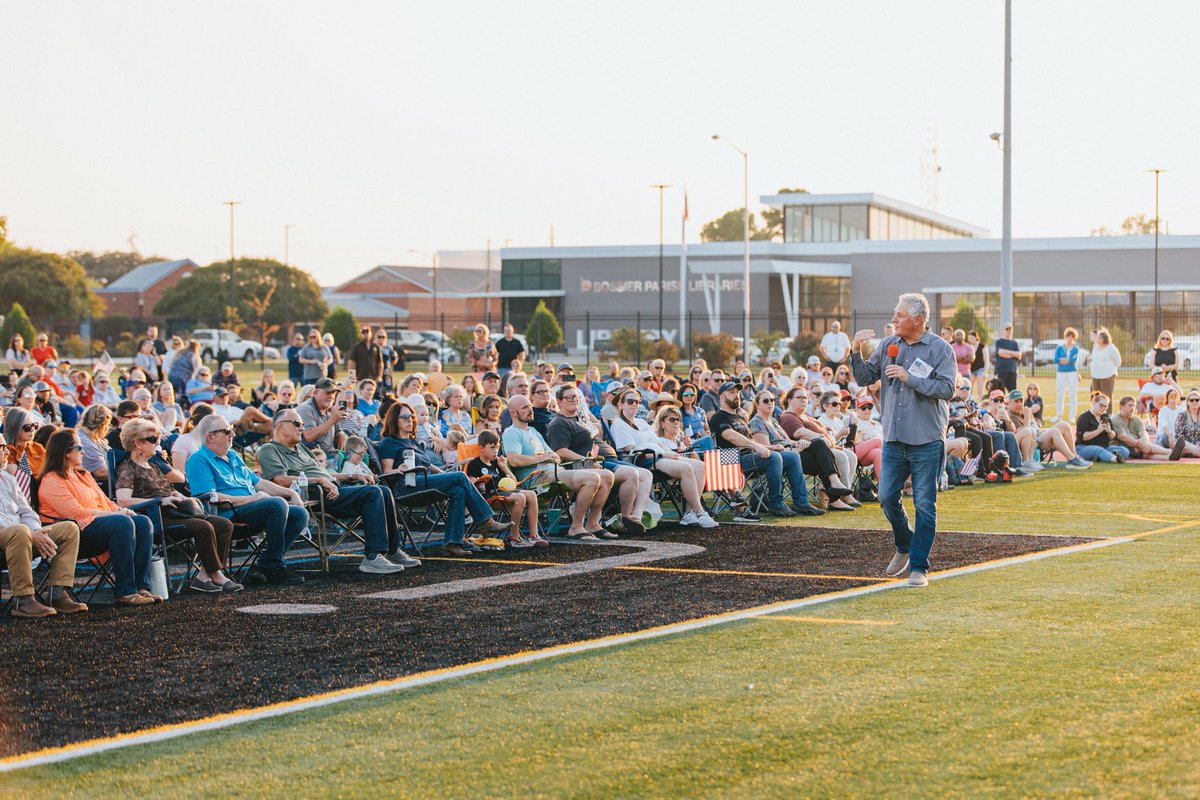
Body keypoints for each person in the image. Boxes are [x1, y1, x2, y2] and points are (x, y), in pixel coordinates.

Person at [850, 292, 956, 587]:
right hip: (894, 438)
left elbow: (947, 389)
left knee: (924, 503)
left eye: (899, 315)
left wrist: (911, 378)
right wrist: (855, 349)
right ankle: (904, 543)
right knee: (885, 497)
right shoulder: (888, 345)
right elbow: (864, 377)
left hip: (927, 438)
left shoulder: (940, 349)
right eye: (894, 314)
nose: (893, 319)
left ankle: (918, 567)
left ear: (918, 320)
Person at [259, 409, 419, 574]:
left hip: (332, 489)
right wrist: (321, 481)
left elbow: (326, 474)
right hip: (313, 495)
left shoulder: (301, 448)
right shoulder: (269, 449)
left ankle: (392, 550)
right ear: (280, 426)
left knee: (384, 490)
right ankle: (373, 556)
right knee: (373, 493)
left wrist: (353, 474)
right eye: (297, 424)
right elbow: (279, 480)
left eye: (302, 424)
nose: (302, 428)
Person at [115, 417, 243, 593]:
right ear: (138, 443)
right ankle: (217, 575)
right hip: (156, 517)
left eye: (158, 439)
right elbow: (123, 500)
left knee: (223, 524)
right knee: (203, 526)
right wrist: (159, 501)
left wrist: (180, 496)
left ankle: (204, 576)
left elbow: (169, 490)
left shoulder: (152, 465)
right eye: (153, 440)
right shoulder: (127, 468)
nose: (157, 443)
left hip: (176, 512)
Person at [37, 428, 158, 606]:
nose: (83, 451)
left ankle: (141, 586)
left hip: (100, 525)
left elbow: (105, 501)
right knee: (122, 522)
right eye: (79, 447)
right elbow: (76, 512)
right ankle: (126, 591)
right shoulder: (52, 480)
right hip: (76, 532)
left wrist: (121, 509)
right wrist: (117, 514)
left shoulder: (82, 474)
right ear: (66, 452)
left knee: (142, 521)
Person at [186, 414, 310, 585]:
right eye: (227, 431)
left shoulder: (233, 456)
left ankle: (266, 564)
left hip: (253, 507)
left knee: (300, 513)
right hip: (227, 513)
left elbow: (259, 483)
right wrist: (251, 499)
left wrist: (291, 493)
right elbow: (209, 496)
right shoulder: (198, 459)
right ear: (210, 437)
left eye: (232, 430)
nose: (233, 435)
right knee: (276, 504)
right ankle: (274, 566)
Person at [378, 401, 509, 556]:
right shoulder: (389, 442)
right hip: (406, 486)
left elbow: (429, 465)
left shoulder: (411, 441)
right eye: (405, 417)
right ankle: (486, 521)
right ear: (394, 420)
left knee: (458, 489)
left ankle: (452, 543)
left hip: (424, 481)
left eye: (412, 416)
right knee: (460, 477)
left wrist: (444, 474)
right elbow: (386, 472)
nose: (410, 419)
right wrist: (398, 469)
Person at [0, 432, 85, 616]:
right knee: (19, 531)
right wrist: (30, 534)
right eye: (2, 448)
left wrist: (36, 531)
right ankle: (23, 600)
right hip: (7, 536)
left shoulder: (8, 479)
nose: (7, 452)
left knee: (69, 529)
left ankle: (57, 594)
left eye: (6, 447)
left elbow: (27, 512)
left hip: (22, 536)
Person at [504, 394, 611, 539]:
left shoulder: (533, 431)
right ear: (513, 413)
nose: (530, 409)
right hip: (536, 478)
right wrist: (542, 458)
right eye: (525, 408)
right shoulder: (511, 432)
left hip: (554, 471)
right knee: (591, 478)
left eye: (530, 406)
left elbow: (554, 455)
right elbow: (514, 459)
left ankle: (592, 523)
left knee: (608, 476)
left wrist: (553, 457)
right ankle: (576, 527)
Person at [709, 380, 820, 519]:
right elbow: (730, 436)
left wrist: (770, 447)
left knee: (792, 456)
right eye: (731, 392)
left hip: (751, 456)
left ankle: (801, 502)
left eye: (737, 392)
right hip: (732, 460)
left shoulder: (740, 418)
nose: (736, 395)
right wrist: (757, 447)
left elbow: (753, 443)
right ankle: (776, 503)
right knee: (774, 457)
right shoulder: (718, 417)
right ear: (721, 397)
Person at [465, 429, 544, 547]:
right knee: (521, 497)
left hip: (503, 492)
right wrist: (480, 480)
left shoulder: (497, 463)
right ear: (481, 448)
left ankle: (534, 535)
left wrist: (504, 467)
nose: (495, 451)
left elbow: (514, 483)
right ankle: (514, 537)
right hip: (489, 497)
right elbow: (472, 485)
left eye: (497, 447)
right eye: (492, 447)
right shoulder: (474, 464)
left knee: (531, 494)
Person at [1110, 396, 1171, 460]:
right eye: (1130, 405)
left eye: (1134, 405)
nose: (1132, 408)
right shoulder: (1115, 419)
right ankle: (1169, 451)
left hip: (1136, 446)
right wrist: (1140, 445)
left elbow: (1144, 434)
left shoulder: (1137, 419)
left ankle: (1168, 456)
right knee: (1140, 449)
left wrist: (1143, 442)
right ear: (1121, 407)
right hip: (1120, 446)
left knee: (1146, 453)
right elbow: (1123, 438)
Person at [1074, 393, 1129, 463]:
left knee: (1124, 450)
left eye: (1105, 406)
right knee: (1098, 450)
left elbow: (1113, 436)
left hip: (1104, 447)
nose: (1103, 408)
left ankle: (1099, 457)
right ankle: (1115, 459)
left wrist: (1109, 431)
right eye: (1101, 405)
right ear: (1093, 403)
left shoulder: (1105, 417)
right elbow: (1084, 437)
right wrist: (1098, 430)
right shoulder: (1084, 417)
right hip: (1083, 448)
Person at [77, 404, 115, 481]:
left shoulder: (95, 438)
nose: (109, 428)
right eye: (108, 425)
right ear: (102, 424)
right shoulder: (84, 442)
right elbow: (101, 472)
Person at [1054, 328, 1082, 422]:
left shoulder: (1075, 349)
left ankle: (1072, 416)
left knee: (1072, 394)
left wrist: (1064, 360)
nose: (1069, 339)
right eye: (1068, 336)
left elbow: (1073, 360)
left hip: (1072, 373)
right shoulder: (1059, 348)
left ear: (1074, 338)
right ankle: (1058, 415)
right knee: (1060, 394)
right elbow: (1056, 359)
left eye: (1071, 337)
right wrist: (1066, 360)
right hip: (1061, 373)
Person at [1088, 327, 1121, 403]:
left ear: (1103, 339)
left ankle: (1108, 414)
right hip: (1095, 375)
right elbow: (1094, 358)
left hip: (1107, 376)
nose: (1096, 339)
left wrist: (1109, 370)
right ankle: (1096, 413)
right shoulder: (1095, 347)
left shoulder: (1111, 348)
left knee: (1106, 396)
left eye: (1098, 337)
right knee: (1095, 396)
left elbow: (1118, 361)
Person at [1169, 389, 1200, 461]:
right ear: (1187, 403)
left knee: (1190, 449)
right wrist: (1193, 446)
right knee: (1183, 444)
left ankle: (1185, 453)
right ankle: (1187, 452)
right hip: (1186, 444)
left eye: (1197, 400)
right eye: (1191, 400)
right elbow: (1179, 434)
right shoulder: (1182, 416)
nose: (1194, 402)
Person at [993, 322, 1021, 393]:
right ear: (1003, 330)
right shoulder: (999, 342)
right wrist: (1013, 354)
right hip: (1001, 370)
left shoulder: (1014, 343)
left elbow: (1019, 355)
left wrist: (1006, 352)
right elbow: (1001, 353)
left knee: (1013, 392)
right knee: (1000, 391)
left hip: (1012, 370)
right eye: (1007, 329)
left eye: (1010, 329)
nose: (1009, 331)